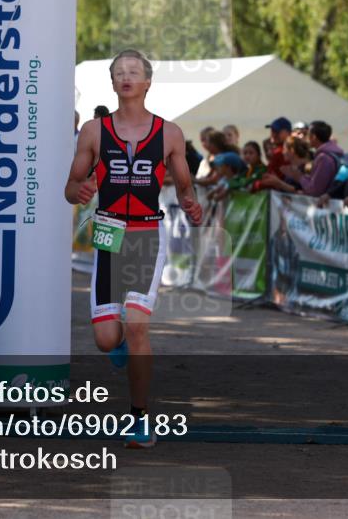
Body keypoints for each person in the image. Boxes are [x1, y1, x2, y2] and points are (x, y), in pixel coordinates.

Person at [64, 49, 201, 450]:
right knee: (107, 339)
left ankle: (140, 418)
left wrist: (191, 203)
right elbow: (69, 188)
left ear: (147, 82)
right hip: (108, 233)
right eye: (119, 72)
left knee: (138, 325)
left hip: (145, 234)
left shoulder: (169, 133)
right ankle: (118, 341)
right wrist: (81, 190)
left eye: (133, 72)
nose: (126, 77)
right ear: (111, 82)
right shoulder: (93, 131)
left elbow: (185, 185)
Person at [252, 117, 292, 192]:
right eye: (272, 131)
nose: (273, 134)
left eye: (277, 131)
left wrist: (254, 186)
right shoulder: (277, 151)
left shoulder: (283, 152)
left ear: (288, 132)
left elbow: (272, 181)